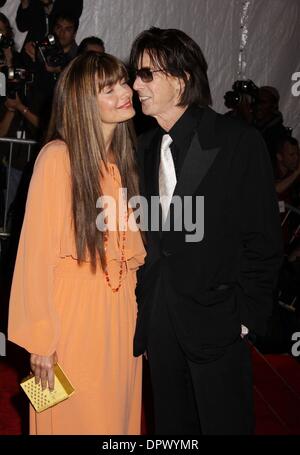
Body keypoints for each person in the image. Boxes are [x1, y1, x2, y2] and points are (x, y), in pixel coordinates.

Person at [129, 27, 283, 435]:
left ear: (180, 79)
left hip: (218, 324)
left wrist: (245, 320)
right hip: (161, 326)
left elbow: (263, 239)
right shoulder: (144, 147)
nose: (134, 84)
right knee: (172, 433)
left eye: (146, 74)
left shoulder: (236, 141)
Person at [8, 52, 145, 435]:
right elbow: (34, 259)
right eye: (109, 88)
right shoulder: (57, 158)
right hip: (73, 321)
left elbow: (128, 258)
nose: (125, 91)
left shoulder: (121, 165)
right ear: (84, 101)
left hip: (119, 319)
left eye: (123, 82)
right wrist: (40, 340)